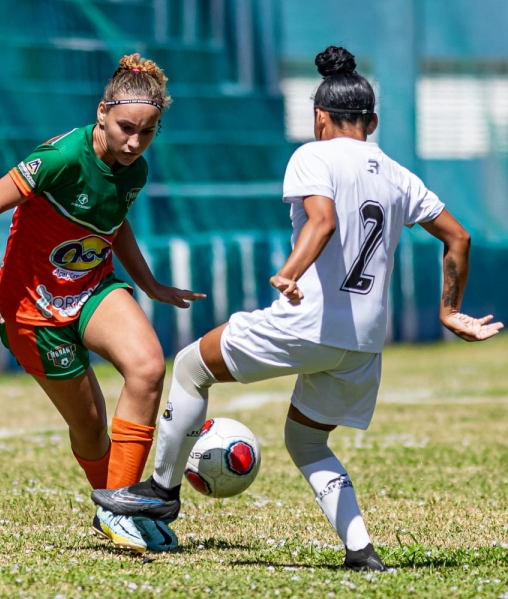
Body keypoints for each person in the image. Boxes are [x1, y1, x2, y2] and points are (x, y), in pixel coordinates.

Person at [90, 46, 504, 569]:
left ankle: (161, 490)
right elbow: (459, 238)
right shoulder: (400, 175)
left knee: (192, 367)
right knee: (307, 442)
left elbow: (322, 221)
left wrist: (290, 272)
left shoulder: (313, 154)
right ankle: (361, 553)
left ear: (319, 118)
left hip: (306, 322)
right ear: (372, 121)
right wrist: (449, 311)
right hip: (363, 342)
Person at [0, 53, 205, 555]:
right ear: (101, 113)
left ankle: (123, 510)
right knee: (92, 429)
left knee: (147, 367)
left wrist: (149, 282)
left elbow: (111, 224)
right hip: (33, 314)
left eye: (147, 132)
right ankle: (111, 507)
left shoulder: (133, 170)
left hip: (93, 286)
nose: (134, 142)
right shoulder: (60, 158)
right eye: (125, 128)